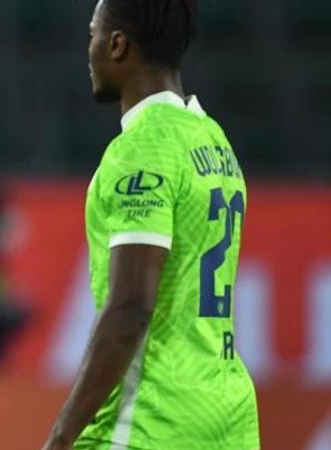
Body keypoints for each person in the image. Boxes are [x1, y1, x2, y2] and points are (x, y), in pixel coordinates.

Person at [43, 1, 260, 449]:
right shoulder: (212, 139)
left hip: (151, 420)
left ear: (118, 45)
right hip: (229, 419)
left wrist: (62, 435)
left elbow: (130, 310)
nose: (90, 49)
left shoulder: (141, 149)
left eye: (93, 35)